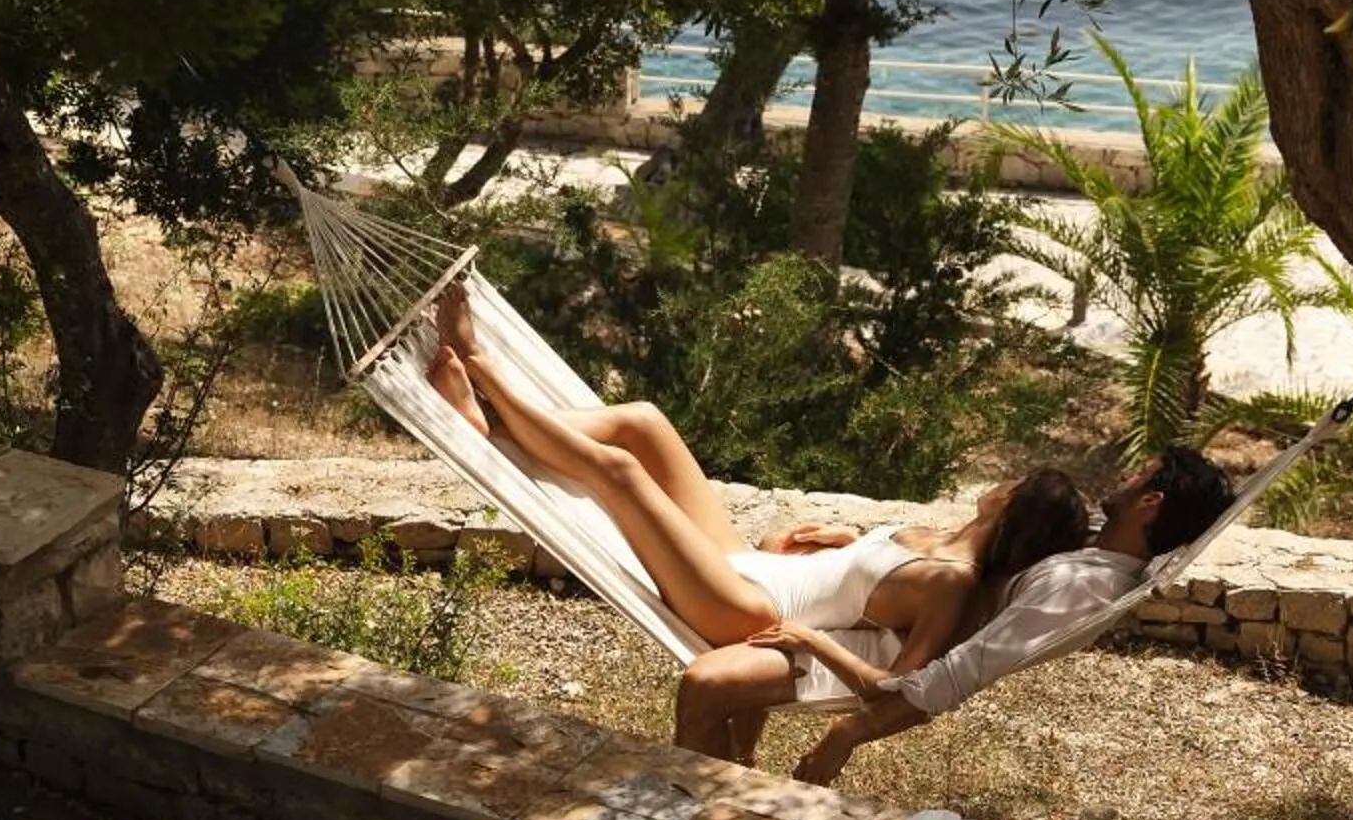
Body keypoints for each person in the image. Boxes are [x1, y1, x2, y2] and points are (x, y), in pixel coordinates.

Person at [425, 284, 1094, 739]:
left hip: (743, 610)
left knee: (621, 473)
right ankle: (494, 427)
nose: (1004, 479)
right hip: (747, 566)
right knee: (644, 425)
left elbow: (897, 687)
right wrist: (848, 544)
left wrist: (810, 641)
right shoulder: (939, 539)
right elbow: (868, 583)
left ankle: (481, 371)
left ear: (1015, 508)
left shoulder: (953, 581)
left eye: (1017, 480)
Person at [674, 444, 1235, 783]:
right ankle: (736, 776)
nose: (1123, 477)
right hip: (891, 610)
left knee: (707, 685)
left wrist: (849, 732)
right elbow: (993, 537)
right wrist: (870, 557)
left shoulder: (1078, 590)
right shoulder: (1092, 535)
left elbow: (953, 677)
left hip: (891, 653)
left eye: (1138, 475)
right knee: (739, 649)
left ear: (1150, 503)